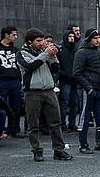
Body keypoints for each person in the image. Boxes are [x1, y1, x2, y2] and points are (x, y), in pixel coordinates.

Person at [16, 28, 72, 162]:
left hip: (49, 90)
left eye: (43, 40)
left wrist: (53, 56)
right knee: (33, 124)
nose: (42, 43)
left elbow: (55, 69)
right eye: (38, 41)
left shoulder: (44, 52)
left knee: (55, 122)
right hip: (32, 92)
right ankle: (36, 150)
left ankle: (59, 150)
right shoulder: (21, 53)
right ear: (30, 41)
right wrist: (46, 54)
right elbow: (30, 65)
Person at [0, 26, 25, 138]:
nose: (15, 37)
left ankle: (14, 129)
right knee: (0, 105)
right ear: (6, 35)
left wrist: (19, 78)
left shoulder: (16, 50)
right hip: (2, 81)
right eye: (13, 34)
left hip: (15, 81)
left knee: (16, 106)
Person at [57, 30, 79, 133]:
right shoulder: (61, 50)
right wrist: (64, 73)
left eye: (73, 36)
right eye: (69, 36)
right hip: (65, 80)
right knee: (64, 103)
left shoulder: (76, 49)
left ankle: (72, 124)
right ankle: (62, 124)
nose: (72, 38)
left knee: (74, 104)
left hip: (74, 80)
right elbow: (57, 65)